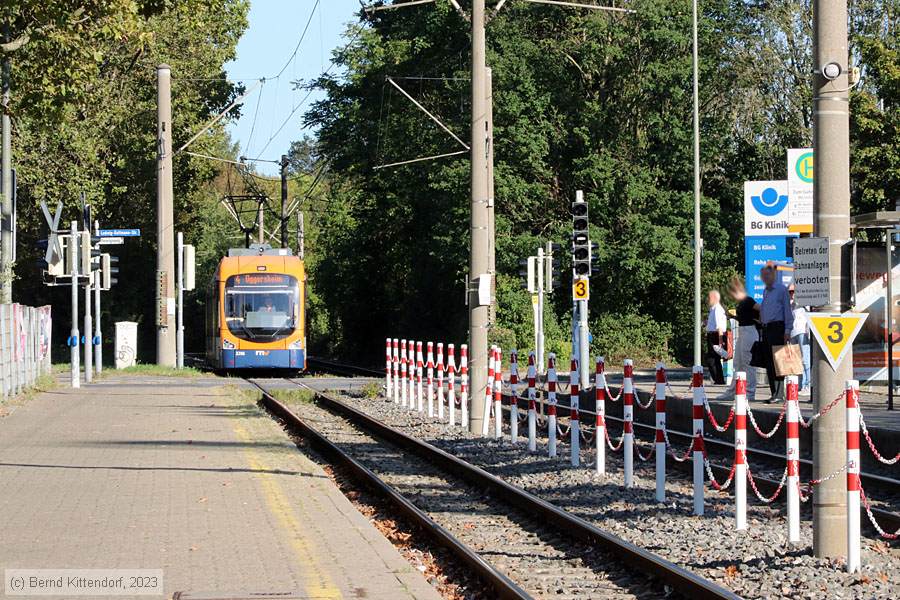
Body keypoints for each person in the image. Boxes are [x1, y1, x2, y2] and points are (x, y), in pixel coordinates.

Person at [716, 277, 759, 401]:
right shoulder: (741, 303)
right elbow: (745, 317)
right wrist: (732, 316)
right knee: (738, 363)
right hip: (743, 331)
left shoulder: (748, 300)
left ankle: (750, 393)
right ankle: (732, 391)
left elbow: (760, 309)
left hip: (750, 331)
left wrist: (760, 321)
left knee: (747, 363)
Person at [759, 264, 794, 402]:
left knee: (778, 361)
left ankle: (780, 394)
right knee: (768, 362)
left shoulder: (780, 290)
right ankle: (774, 393)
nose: (765, 278)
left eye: (767, 275)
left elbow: (787, 311)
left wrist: (787, 330)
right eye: (763, 276)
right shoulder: (766, 291)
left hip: (777, 328)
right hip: (767, 328)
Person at [789, 284, 811, 396]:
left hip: (802, 331)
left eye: (793, 291)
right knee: (797, 361)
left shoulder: (804, 301)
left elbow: (809, 315)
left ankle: (808, 384)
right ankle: (800, 385)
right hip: (793, 333)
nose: (792, 294)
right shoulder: (791, 304)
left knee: (805, 359)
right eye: (790, 292)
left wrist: (808, 329)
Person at [704, 289, 727, 385]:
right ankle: (718, 379)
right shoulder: (713, 309)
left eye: (709, 298)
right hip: (712, 334)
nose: (708, 300)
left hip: (716, 335)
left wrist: (720, 340)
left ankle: (719, 379)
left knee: (712, 359)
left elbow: (719, 326)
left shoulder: (717, 309)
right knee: (713, 359)